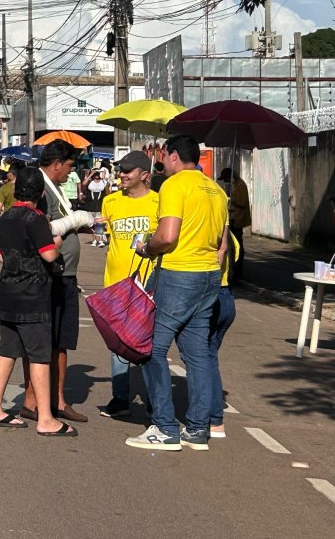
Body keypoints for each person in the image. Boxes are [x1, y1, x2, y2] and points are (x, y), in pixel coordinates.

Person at [126, 134, 227, 452]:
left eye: (163, 155)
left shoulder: (174, 185)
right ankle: (198, 429)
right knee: (197, 354)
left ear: (172, 155)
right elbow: (222, 244)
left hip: (178, 273)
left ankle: (165, 427)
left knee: (151, 349)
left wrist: (145, 247)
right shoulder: (216, 190)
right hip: (210, 274)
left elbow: (167, 236)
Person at [0, 167, 75, 436]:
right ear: (40, 192)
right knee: (39, 355)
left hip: (7, 292)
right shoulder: (36, 218)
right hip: (33, 295)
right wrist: (56, 240)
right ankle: (46, 418)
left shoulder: (8, 216)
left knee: (7, 351)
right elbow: (48, 255)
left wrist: (17, 260)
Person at [21, 140, 94, 425]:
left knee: (59, 341)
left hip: (63, 274)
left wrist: (78, 221)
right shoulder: (40, 187)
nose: (70, 172)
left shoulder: (54, 188)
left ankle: (54, 399)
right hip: (52, 274)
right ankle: (41, 401)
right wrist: (74, 219)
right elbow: (40, 226)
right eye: (69, 166)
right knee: (49, 340)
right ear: (56, 164)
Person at [96, 151, 159, 418]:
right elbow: (107, 237)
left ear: (144, 175)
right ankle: (120, 397)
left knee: (149, 344)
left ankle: (156, 400)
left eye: (128, 171)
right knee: (118, 343)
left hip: (148, 283)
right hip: (115, 282)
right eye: (120, 170)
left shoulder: (160, 202)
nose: (122, 174)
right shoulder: (110, 202)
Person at [207, 219, 239, 440]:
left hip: (213, 295)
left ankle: (214, 418)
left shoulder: (207, 236)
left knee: (203, 358)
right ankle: (214, 413)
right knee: (209, 357)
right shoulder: (232, 237)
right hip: (227, 298)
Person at [218, 167, 250, 284]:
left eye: (226, 179)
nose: (225, 182)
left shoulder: (240, 185)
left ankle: (237, 270)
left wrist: (230, 198)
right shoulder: (235, 185)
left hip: (238, 220)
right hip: (233, 219)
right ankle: (234, 269)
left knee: (237, 247)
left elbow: (242, 203)